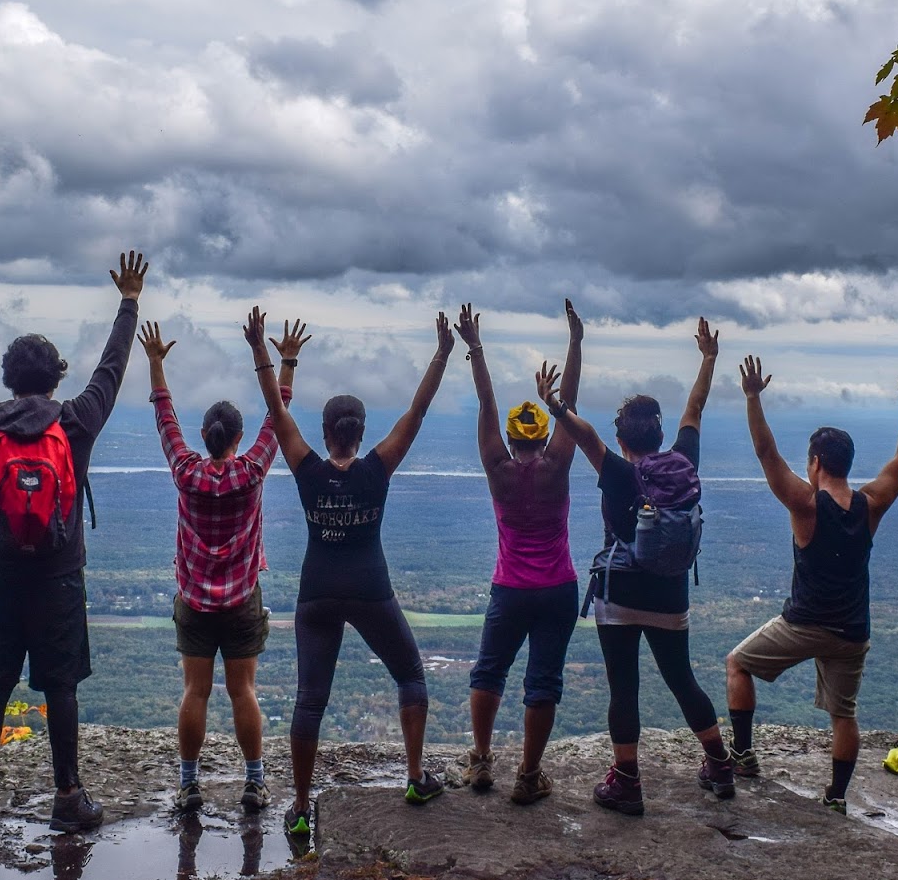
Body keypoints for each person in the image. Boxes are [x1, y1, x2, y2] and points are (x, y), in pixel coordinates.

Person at [0, 250, 146, 838]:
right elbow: (112, 369)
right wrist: (129, 302)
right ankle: (67, 797)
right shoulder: (77, 420)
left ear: (10, 378)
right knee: (60, 686)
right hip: (59, 579)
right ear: (57, 377)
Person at [248, 304, 454, 845]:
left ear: (324, 431)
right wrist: (442, 353)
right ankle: (415, 778)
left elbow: (275, 412)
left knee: (309, 699)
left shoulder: (307, 468)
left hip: (316, 593)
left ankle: (297, 807)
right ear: (362, 433)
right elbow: (419, 409)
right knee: (410, 674)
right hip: (369, 589)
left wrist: (263, 355)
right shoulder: (377, 467)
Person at [725, 357, 898, 813]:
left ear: (816, 462)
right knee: (845, 714)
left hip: (804, 624)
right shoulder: (871, 503)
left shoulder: (807, 505)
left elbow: (767, 454)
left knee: (737, 665)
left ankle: (742, 757)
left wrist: (752, 396)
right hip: (852, 632)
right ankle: (836, 798)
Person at [540, 318, 733, 816]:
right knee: (683, 678)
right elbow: (696, 406)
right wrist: (708, 358)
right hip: (671, 594)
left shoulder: (620, 471)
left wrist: (555, 405)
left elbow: (582, 436)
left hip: (621, 595)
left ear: (623, 439)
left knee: (623, 687)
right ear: (662, 434)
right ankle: (719, 763)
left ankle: (627, 780)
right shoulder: (684, 461)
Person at [139, 314, 306, 816]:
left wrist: (154, 364)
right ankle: (254, 783)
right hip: (240, 601)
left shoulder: (186, 472)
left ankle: (189, 785)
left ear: (205, 436)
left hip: (193, 599)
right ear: (234, 437)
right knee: (243, 691)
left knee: (195, 690)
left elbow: (163, 417)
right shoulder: (251, 472)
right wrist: (287, 363)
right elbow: (276, 417)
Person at [444, 300, 584, 805]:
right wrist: (575, 343)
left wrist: (475, 348)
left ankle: (481, 761)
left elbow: (486, 401)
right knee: (543, 679)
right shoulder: (558, 465)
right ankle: (528, 774)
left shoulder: (497, 469)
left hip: (510, 588)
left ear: (508, 438)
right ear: (544, 435)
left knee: (489, 670)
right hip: (558, 589)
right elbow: (567, 401)